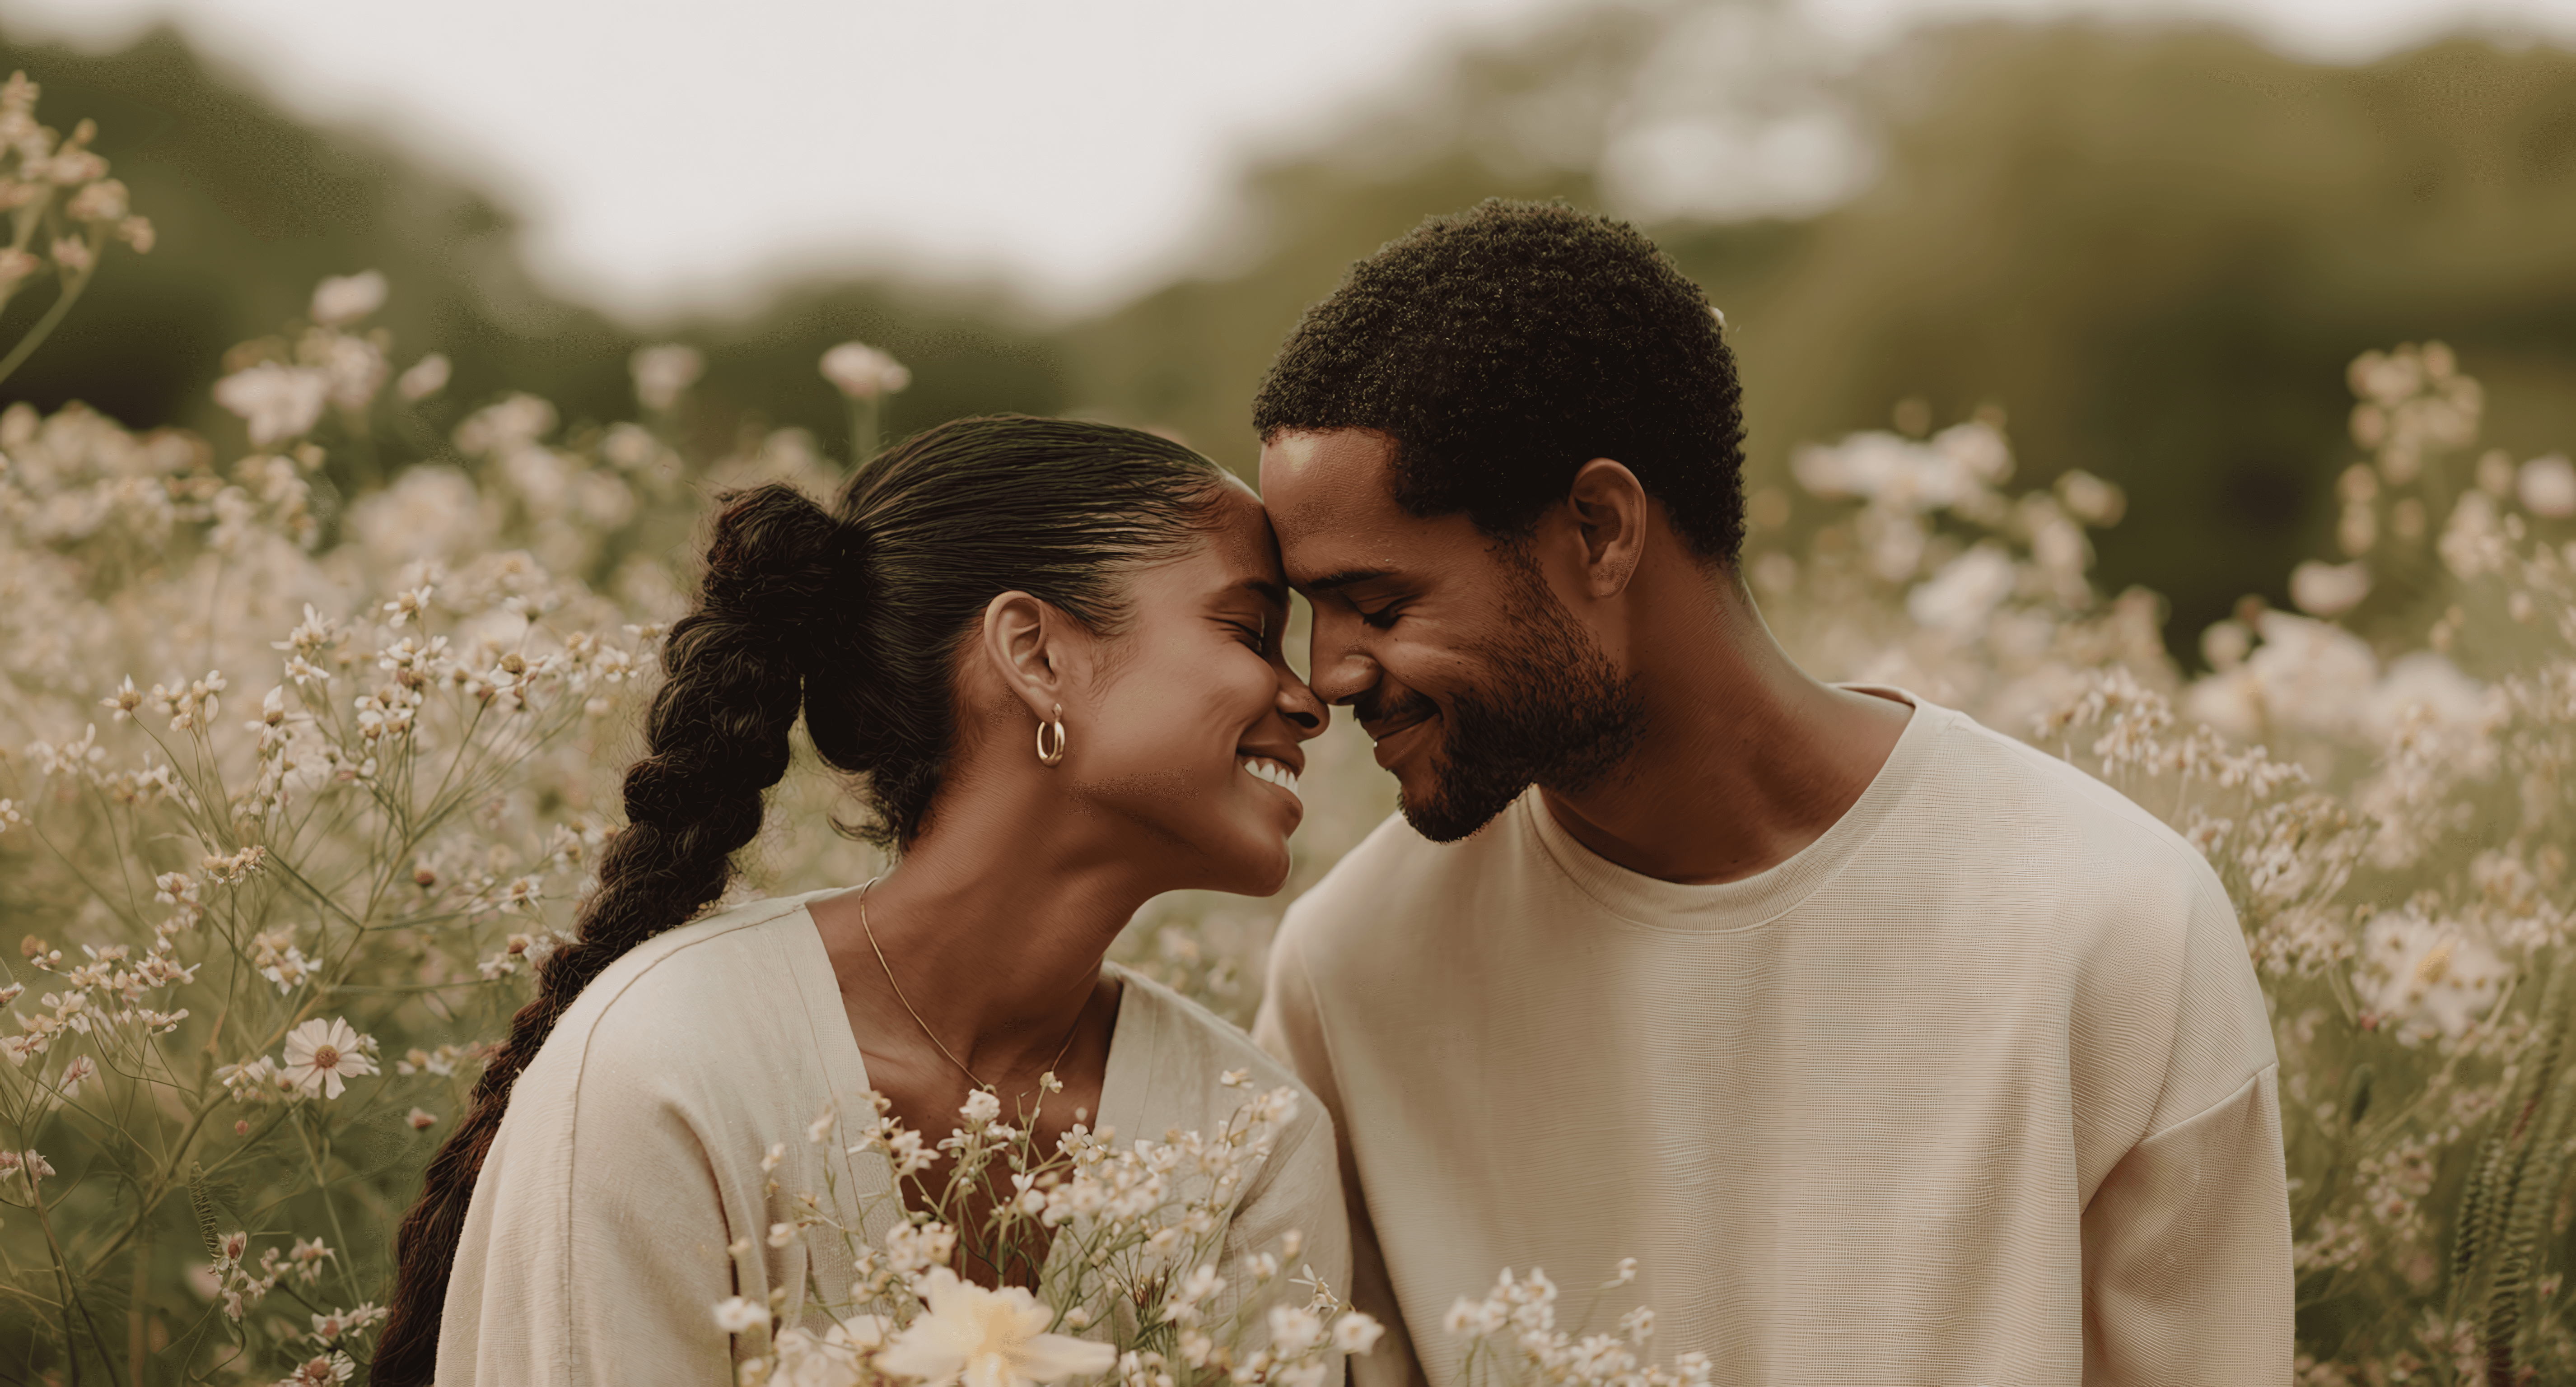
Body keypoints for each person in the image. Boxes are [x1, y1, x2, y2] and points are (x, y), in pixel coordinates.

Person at [1248, 201, 2291, 1386]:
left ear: (1599, 531)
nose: (1326, 676)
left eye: (1379, 606)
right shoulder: (1349, 971)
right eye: (1307, 613)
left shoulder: (2112, 925)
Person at [372, 416, 1351, 1387]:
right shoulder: (667, 1069)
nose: (1311, 698)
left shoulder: (1251, 1142)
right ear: (1037, 654)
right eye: (1249, 631)